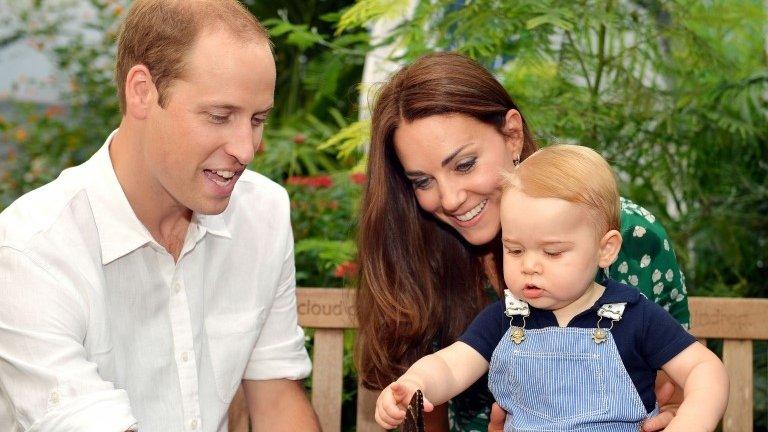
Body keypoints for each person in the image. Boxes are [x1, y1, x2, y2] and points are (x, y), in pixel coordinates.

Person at [0, 1, 320, 431]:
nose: (246, 149)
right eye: (219, 116)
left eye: (258, 119)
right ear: (142, 92)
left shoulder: (263, 213)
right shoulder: (31, 249)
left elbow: (277, 401)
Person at [355, 52, 691, 432]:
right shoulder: (422, 246)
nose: (449, 199)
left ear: (512, 134)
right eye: (422, 181)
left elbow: (678, 385)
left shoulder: (622, 232)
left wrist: (679, 410)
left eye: (464, 164)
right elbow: (431, 399)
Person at [374, 145, 728, 431]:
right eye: (513, 249)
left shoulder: (633, 316)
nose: (529, 265)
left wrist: (690, 423)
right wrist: (415, 383)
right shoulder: (507, 319)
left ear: (606, 249)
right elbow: (450, 367)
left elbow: (704, 369)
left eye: (553, 252)